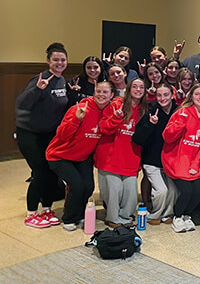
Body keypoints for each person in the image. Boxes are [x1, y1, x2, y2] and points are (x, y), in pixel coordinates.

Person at [46, 81, 114, 230]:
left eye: (105, 92)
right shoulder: (80, 109)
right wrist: (76, 119)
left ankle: (80, 214)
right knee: (77, 186)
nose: (101, 95)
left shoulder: (108, 112)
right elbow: (61, 135)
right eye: (98, 91)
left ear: (111, 95)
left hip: (82, 158)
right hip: (59, 155)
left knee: (88, 187)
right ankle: (69, 218)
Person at [16, 42, 69, 228]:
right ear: (48, 60)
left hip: (49, 135)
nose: (59, 63)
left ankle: (46, 209)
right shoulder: (40, 79)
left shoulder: (62, 81)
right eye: (55, 60)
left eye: (63, 60)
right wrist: (38, 89)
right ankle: (31, 214)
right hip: (29, 134)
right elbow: (21, 103)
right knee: (40, 173)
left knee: (51, 171)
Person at [95, 78, 147, 228]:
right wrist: (116, 117)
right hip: (110, 156)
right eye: (135, 86)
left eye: (141, 87)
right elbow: (104, 128)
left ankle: (125, 216)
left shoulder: (144, 110)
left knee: (130, 191)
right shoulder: (116, 105)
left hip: (131, 156)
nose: (138, 90)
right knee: (113, 190)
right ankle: (112, 217)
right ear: (129, 89)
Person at [162, 84, 200, 233]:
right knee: (186, 191)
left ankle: (186, 216)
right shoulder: (183, 112)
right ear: (191, 96)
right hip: (176, 160)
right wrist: (179, 124)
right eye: (197, 94)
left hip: (194, 162)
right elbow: (167, 137)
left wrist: (197, 164)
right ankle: (177, 217)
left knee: (197, 192)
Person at [132, 83, 179, 225]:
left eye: (166, 95)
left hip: (169, 160)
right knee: (161, 191)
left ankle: (167, 214)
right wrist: (150, 124)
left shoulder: (178, 112)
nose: (162, 98)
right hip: (151, 160)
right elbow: (137, 138)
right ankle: (154, 215)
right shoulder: (151, 110)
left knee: (173, 191)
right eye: (159, 95)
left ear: (172, 96)